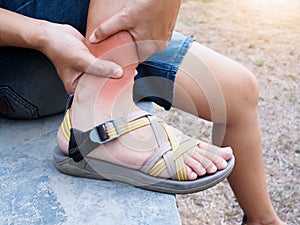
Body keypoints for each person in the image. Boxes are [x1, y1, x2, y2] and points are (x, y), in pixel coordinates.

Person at [0, 0, 285, 224]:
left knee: (239, 90)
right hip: (23, 50)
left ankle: (262, 220)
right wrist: (42, 35)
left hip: (99, 32)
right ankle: (99, 116)